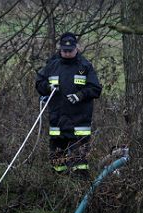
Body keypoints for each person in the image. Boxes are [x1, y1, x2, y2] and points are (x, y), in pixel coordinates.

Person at [36, 32, 102, 174]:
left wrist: (80, 95)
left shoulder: (85, 66)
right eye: (64, 51)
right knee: (57, 162)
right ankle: (58, 186)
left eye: (70, 51)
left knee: (80, 163)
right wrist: (48, 87)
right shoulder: (52, 65)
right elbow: (39, 83)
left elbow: (96, 89)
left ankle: (80, 188)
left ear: (76, 48)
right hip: (57, 121)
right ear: (60, 49)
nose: (67, 53)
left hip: (79, 122)